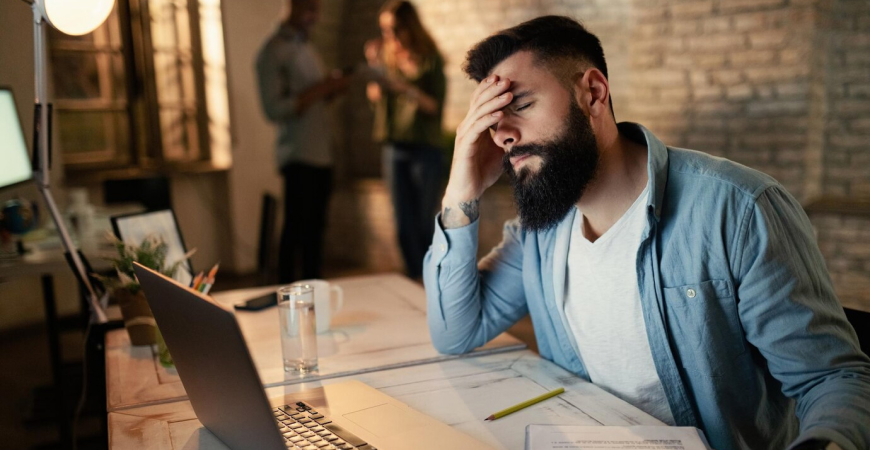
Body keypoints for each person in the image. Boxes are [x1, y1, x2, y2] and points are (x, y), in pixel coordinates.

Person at [424, 15, 870, 450]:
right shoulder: (539, 232)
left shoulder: (737, 209)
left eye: (519, 106)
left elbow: (832, 379)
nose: (503, 135)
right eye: (493, 120)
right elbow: (455, 332)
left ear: (593, 94)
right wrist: (460, 190)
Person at [256, 0, 350, 283]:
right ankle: (288, 296)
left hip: (322, 151)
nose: (315, 16)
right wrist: (322, 88)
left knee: (316, 231)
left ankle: (315, 294)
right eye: (309, 9)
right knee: (296, 230)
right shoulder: (272, 52)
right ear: (291, 6)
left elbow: (314, 99)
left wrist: (332, 90)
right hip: (298, 154)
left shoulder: (305, 46)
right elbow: (274, 109)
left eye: (317, 10)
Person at [365, 1, 446, 279]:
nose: (390, 36)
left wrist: (402, 87)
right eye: (385, 30)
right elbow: (375, 98)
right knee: (403, 224)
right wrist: (374, 69)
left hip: (425, 149)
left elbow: (435, 106)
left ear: (410, 27)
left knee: (425, 222)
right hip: (394, 147)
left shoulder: (430, 58)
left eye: (395, 29)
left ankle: (432, 280)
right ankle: (414, 280)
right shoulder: (386, 59)